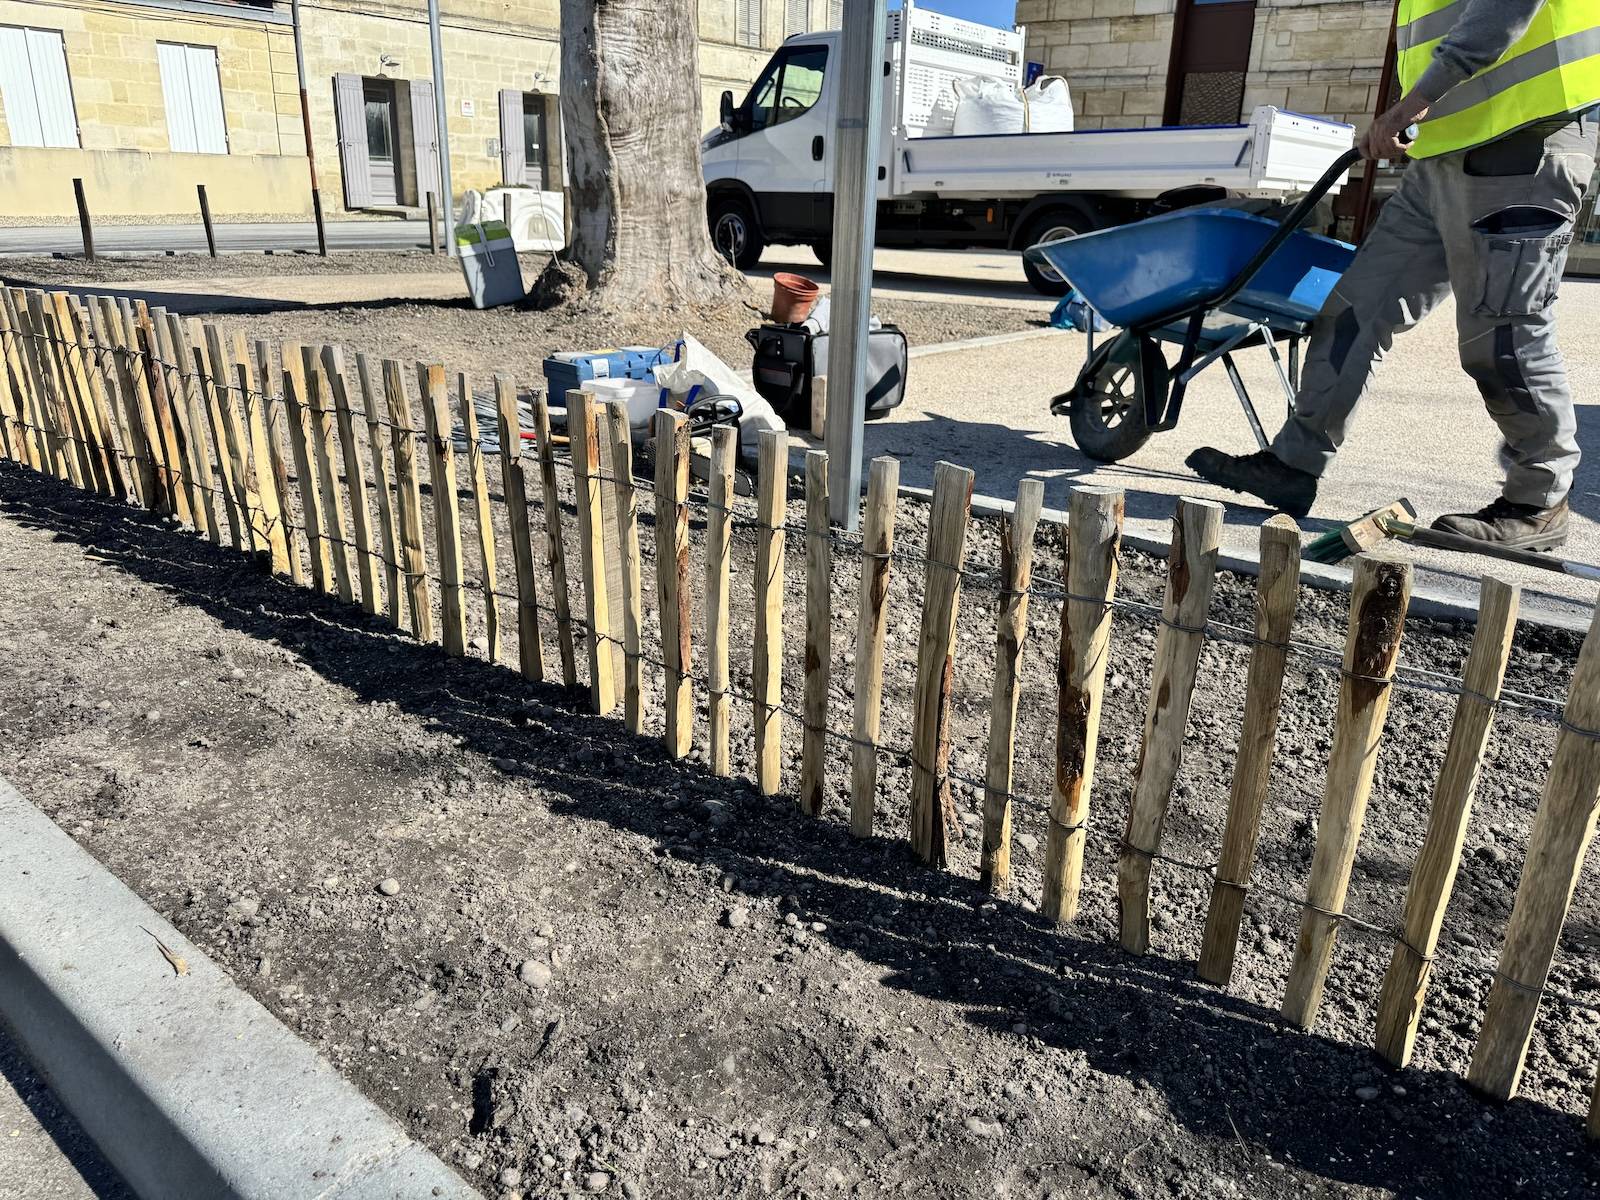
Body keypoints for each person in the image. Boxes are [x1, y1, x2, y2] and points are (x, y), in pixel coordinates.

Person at [1188, 0, 1600, 550]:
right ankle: (1293, 463)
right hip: (1440, 156)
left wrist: (1414, 101)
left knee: (1504, 334)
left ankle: (1538, 502)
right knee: (1354, 311)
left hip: (1524, 141)